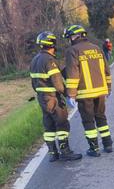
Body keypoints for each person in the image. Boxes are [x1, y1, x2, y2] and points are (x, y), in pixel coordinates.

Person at [30, 31, 82, 162]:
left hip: (42, 98)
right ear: (52, 43)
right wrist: (68, 95)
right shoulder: (49, 60)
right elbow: (58, 83)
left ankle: (53, 153)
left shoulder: (35, 60)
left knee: (49, 126)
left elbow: (33, 83)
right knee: (62, 123)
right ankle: (65, 152)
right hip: (53, 98)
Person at [63, 25, 113, 157]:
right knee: (101, 117)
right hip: (101, 91)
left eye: (69, 37)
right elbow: (107, 70)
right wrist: (108, 88)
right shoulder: (97, 48)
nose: (69, 40)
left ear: (75, 36)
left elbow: (73, 75)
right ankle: (108, 145)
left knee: (88, 120)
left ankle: (94, 149)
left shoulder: (72, 51)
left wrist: (71, 94)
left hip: (85, 94)